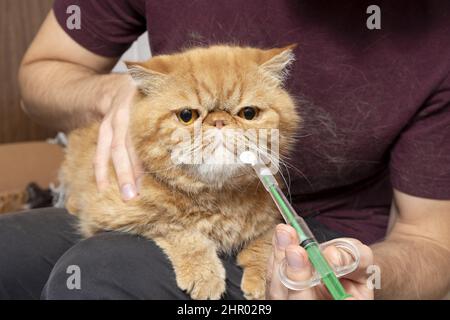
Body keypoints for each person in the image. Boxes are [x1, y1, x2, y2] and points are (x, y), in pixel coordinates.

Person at [1, 0, 448, 300]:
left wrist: (367, 273)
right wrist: (110, 93)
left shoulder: (437, 32)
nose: (219, 126)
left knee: (96, 274)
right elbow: (41, 73)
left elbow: (432, 242)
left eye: (248, 114)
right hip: (164, 188)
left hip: (320, 231)